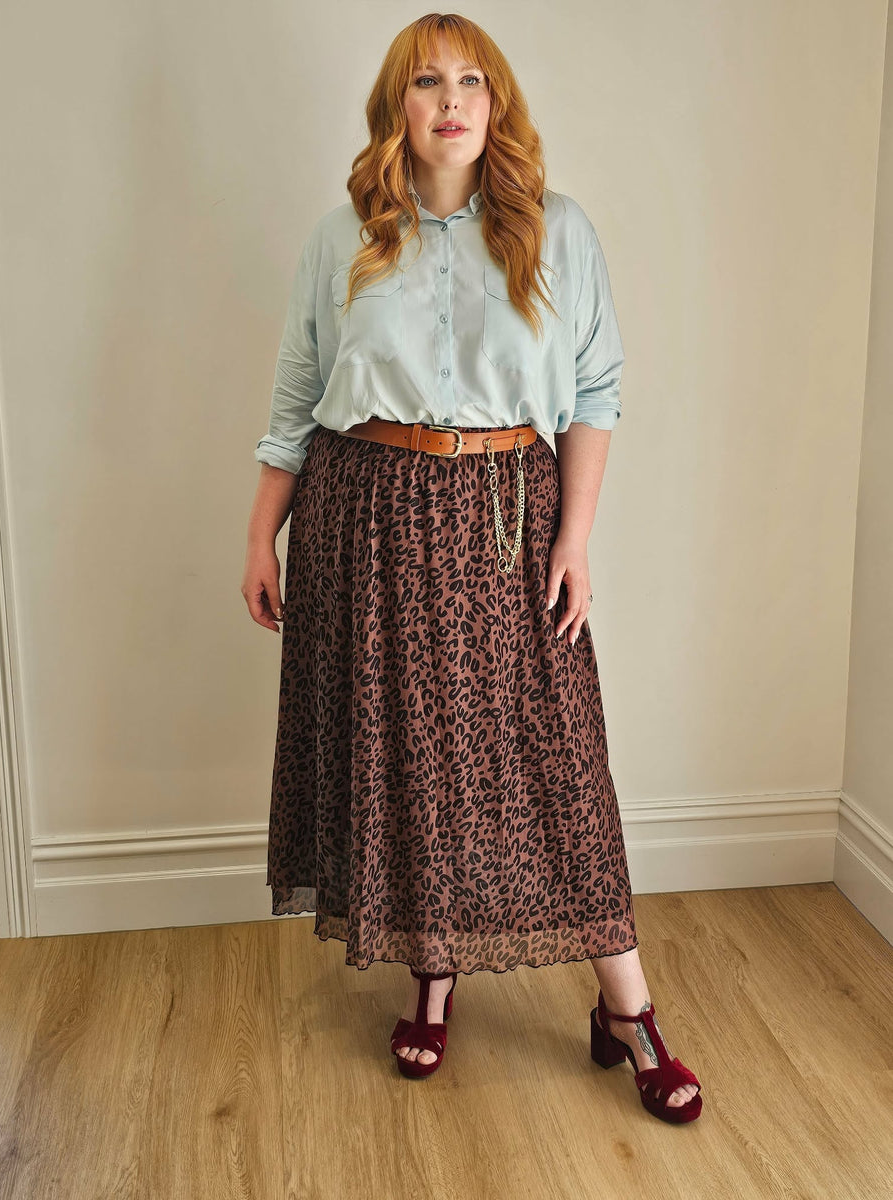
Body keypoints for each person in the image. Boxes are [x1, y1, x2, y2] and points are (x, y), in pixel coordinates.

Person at [241, 12, 702, 1122]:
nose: (451, 101)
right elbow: (298, 400)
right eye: (426, 82)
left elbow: (596, 392)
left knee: (553, 762)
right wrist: (261, 531)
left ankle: (627, 1007)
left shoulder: (557, 231)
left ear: (496, 105)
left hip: (508, 515)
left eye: (472, 82)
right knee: (406, 756)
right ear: (396, 106)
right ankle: (433, 970)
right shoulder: (343, 235)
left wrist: (576, 538)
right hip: (366, 512)